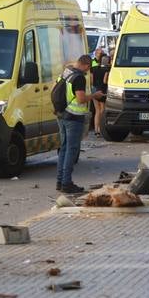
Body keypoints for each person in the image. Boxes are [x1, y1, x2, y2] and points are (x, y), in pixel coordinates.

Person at [56, 54, 101, 194]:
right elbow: (81, 99)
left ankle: (60, 181)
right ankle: (66, 183)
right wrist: (94, 96)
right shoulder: (79, 77)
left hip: (61, 114)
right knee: (71, 150)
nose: (88, 72)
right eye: (88, 69)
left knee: (63, 149)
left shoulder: (65, 72)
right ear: (86, 65)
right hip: (73, 117)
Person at [90, 46, 111, 137]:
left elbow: (91, 80)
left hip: (94, 89)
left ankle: (96, 130)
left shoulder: (93, 68)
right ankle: (102, 129)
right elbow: (105, 81)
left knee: (97, 110)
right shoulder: (106, 69)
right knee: (102, 110)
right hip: (102, 89)